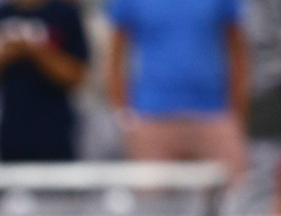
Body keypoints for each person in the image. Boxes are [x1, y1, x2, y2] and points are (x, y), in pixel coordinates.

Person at [106, 0, 249, 182]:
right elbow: (115, 56)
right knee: (152, 206)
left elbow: (238, 51)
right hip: (151, 116)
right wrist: (123, 117)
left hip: (213, 113)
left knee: (234, 197)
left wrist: (236, 116)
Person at [0, 0, 90, 163]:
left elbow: (77, 76)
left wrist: (36, 52)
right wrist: (2, 56)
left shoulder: (64, 14)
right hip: (8, 133)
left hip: (55, 134)